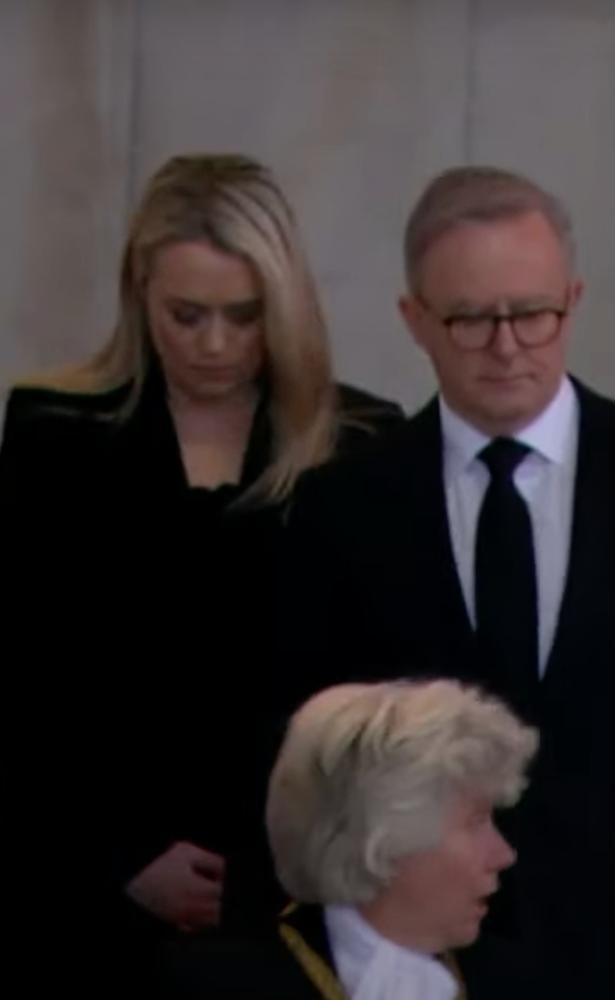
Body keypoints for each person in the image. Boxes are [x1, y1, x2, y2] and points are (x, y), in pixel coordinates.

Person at [0, 155, 402, 959]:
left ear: (285, 306)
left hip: (292, 901)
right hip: (81, 891)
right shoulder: (53, 432)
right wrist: (121, 852)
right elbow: (25, 677)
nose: (215, 344)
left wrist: (284, 871)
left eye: (245, 315)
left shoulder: (358, 443)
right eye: (186, 315)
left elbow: (374, 693)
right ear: (138, 292)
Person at [285, 167, 615, 995]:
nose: (508, 345)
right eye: (471, 319)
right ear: (414, 319)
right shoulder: (343, 507)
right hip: (424, 967)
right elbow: (313, 753)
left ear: (574, 299)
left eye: (532, 313)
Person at [158, 678, 537, 999]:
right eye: (475, 823)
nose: (504, 855)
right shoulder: (213, 985)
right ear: (383, 837)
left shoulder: (518, 983)